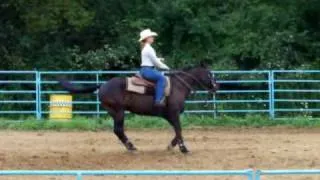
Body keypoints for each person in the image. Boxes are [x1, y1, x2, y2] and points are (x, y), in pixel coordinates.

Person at [139, 29, 170, 107]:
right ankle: (158, 100)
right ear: (147, 38)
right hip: (148, 70)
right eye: (151, 36)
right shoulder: (149, 49)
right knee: (162, 78)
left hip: (146, 69)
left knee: (161, 77)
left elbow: (152, 59)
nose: (153, 38)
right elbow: (156, 63)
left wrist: (159, 59)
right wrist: (167, 68)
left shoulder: (146, 48)